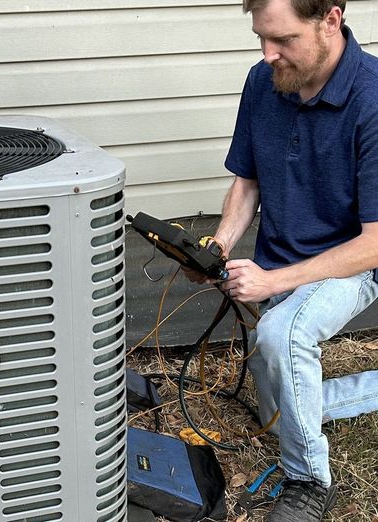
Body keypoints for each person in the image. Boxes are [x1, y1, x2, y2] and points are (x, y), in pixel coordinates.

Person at [193, 0, 378, 520]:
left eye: (284, 40)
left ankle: (309, 480)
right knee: (280, 409)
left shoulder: (372, 98)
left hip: (353, 262)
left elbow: (375, 242)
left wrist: (274, 279)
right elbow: (247, 181)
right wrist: (221, 244)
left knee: (281, 336)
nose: (268, 54)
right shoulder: (264, 80)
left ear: (331, 20)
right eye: (260, 38)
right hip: (281, 260)